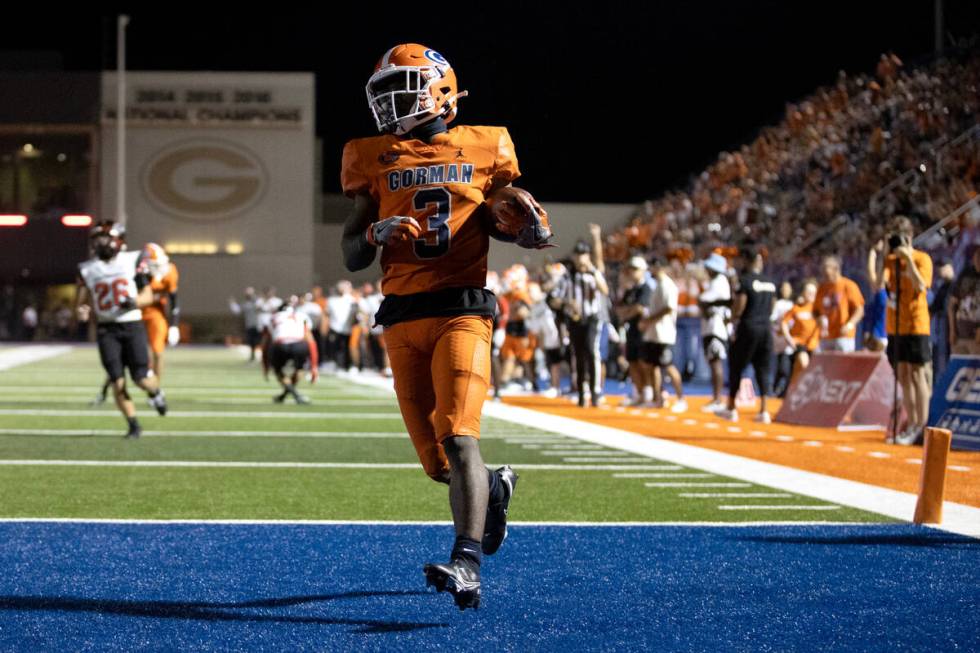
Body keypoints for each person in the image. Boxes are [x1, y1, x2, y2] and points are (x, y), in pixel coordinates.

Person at [339, 43, 552, 610]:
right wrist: (372, 235)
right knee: (440, 465)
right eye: (383, 93)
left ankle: (467, 564)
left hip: (463, 308)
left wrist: (521, 229)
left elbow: (500, 213)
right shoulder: (370, 154)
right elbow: (350, 253)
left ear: (438, 88)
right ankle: (496, 489)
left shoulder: (486, 145)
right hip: (401, 317)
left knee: (461, 437)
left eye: (400, 89)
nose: (389, 104)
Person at [74, 222, 167, 438]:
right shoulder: (87, 269)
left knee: (141, 379)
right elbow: (81, 303)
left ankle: (156, 391)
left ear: (117, 240)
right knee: (116, 379)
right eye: (97, 240)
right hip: (107, 329)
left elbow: (149, 296)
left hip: (132, 324)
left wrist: (133, 302)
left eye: (104, 239)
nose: (100, 244)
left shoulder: (132, 260)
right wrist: (83, 311)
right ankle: (133, 424)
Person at [871, 216, 933, 446]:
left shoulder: (921, 258)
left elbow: (922, 286)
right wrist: (883, 256)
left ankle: (920, 424)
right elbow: (878, 286)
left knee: (918, 374)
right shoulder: (890, 261)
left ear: (909, 237)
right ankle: (910, 423)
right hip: (895, 324)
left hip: (916, 323)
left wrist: (908, 258)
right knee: (904, 375)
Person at [717, 243, 776, 424]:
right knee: (763, 369)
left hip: (748, 327)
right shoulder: (769, 282)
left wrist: (732, 319)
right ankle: (764, 410)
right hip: (766, 328)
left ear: (745, 259)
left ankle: (731, 408)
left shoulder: (746, 280)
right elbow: (772, 305)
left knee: (737, 366)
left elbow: (740, 304)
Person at [559, 241, 609, 408]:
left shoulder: (593, 273)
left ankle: (595, 392)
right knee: (578, 355)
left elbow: (605, 290)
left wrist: (593, 270)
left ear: (588, 256)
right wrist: (568, 303)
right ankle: (581, 392)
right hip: (575, 319)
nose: (581, 258)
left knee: (591, 351)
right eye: (578, 254)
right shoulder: (568, 275)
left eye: (584, 254)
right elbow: (556, 298)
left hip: (592, 318)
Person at [641, 257, 687, 413]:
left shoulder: (667, 285)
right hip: (654, 333)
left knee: (668, 366)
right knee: (653, 366)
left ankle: (681, 398)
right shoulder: (659, 285)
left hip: (663, 333)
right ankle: (658, 397)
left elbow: (669, 308)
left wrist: (649, 320)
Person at [260, 296, 319, 404]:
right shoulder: (302, 316)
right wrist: (314, 366)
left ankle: (292, 395)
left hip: (280, 344)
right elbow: (311, 341)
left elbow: (265, 344)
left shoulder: (273, 317)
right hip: (299, 344)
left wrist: (265, 365)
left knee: (278, 371)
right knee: (300, 369)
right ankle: (293, 395)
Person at [616, 256, 654, 406]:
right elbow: (619, 309)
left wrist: (627, 312)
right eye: (631, 269)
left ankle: (648, 393)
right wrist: (628, 312)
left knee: (643, 362)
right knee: (632, 361)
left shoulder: (646, 288)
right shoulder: (631, 290)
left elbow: (640, 308)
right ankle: (638, 393)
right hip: (631, 329)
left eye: (635, 269)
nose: (632, 272)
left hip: (643, 330)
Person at [139, 243, 181, 380]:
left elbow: (174, 299)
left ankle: (155, 390)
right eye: (154, 264)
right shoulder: (138, 272)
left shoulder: (170, 271)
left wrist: (174, 325)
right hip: (136, 311)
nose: (159, 268)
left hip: (156, 312)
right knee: (129, 352)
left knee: (158, 351)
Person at [698, 253, 731, 411]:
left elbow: (703, 300)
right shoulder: (714, 282)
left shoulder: (719, 282)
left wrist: (703, 305)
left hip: (716, 328)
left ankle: (718, 399)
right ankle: (716, 398)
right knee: (713, 362)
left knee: (715, 362)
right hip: (711, 327)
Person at [814, 256, 864, 353]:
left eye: (826, 268)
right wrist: (818, 319)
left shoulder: (848, 285)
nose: (823, 272)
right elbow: (815, 311)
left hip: (844, 337)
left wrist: (849, 325)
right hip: (826, 337)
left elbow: (859, 310)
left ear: (836, 269)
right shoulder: (822, 288)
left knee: (844, 367)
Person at [780, 280, 820, 383]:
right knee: (804, 363)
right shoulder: (796, 308)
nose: (811, 295)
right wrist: (789, 339)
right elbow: (783, 323)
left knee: (799, 371)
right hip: (799, 343)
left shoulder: (818, 309)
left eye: (813, 293)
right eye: (809, 292)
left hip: (814, 345)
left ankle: (793, 389)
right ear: (803, 293)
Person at [948, 246, 980, 356]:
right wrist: (952, 330)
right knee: (959, 369)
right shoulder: (965, 273)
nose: (977, 260)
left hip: (976, 339)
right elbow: (952, 305)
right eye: (976, 256)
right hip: (960, 335)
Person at [325, 280, 358, 371]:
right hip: (334, 327)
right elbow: (327, 314)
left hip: (347, 328)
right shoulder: (331, 300)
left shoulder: (352, 300)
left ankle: (348, 365)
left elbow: (355, 315)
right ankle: (334, 363)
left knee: (346, 348)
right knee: (334, 347)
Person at [771, 281, 796, 397]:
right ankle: (776, 388)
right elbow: (772, 320)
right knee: (783, 368)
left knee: (789, 369)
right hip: (781, 341)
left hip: (792, 341)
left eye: (788, 288)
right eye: (784, 288)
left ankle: (784, 391)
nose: (786, 291)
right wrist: (778, 329)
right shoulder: (778, 304)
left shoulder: (793, 305)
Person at [230, 287, 261, 361]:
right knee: (251, 342)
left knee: (260, 341)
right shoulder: (245, 304)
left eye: (250, 293)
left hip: (259, 325)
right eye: (247, 293)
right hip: (250, 325)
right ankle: (252, 356)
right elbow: (237, 311)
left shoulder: (258, 302)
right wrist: (232, 303)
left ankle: (264, 356)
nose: (248, 295)